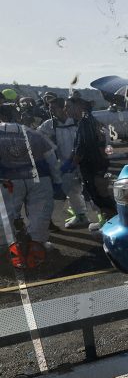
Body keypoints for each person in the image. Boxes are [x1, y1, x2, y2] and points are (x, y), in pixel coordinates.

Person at [0, 103, 63, 268]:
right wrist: (57, 181)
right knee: (40, 214)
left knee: (6, 215)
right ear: (15, 116)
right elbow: (52, 160)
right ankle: (37, 248)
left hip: (8, 180)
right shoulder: (34, 133)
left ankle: (7, 250)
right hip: (39, 179)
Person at [38, 97, 92, 229]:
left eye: (54, 108)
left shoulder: (79, 121)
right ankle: (81, 216)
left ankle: (105, 217)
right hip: (64, 165)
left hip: (84, 162)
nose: (51, 111)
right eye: (49, 109)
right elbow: (37, 138)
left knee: (91, 190)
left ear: (64, 108)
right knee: (70, 191)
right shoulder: (49, 124)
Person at [66, 96, 116, 232]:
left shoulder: (86, 122)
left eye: (68, 106)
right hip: (96, 163)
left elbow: (82, 147)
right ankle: (109, 221)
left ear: (79, 107)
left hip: (93, 164)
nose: (66, 110)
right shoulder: (87, 120)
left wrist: (72, 164)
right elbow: (78, 145)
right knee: (99, 194)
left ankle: (111, 223)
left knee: (99, 195)